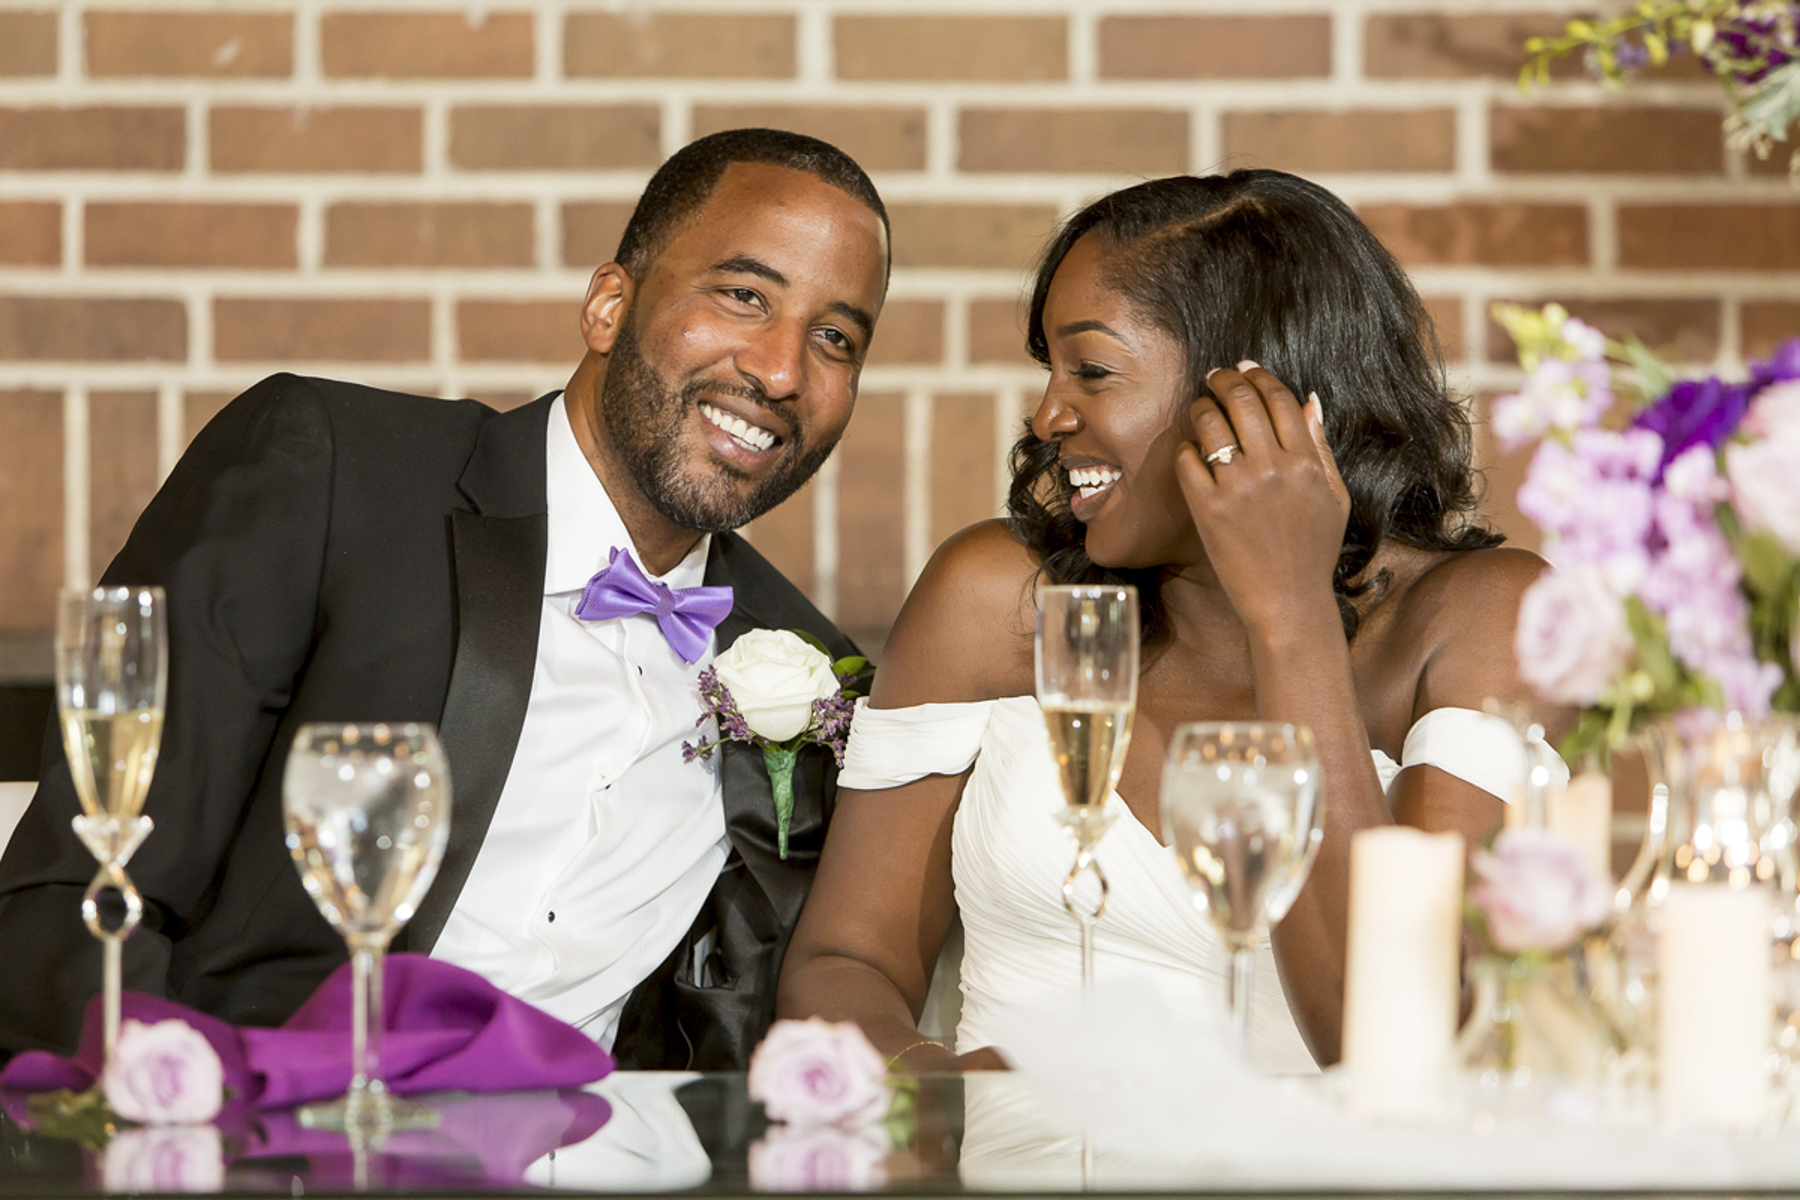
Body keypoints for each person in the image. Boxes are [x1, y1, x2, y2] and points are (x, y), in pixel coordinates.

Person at [0, 128, 890, 1070]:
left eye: (835, 337)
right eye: (743, 295)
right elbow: (81, 893)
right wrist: (179, 1108)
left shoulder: (810, 672)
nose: (783, 370)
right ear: (607, 304)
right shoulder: (333, 476)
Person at [778, 170, 1571, 1073]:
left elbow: (1395, 1038)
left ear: (1254, 393)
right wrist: (947, 1100)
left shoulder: (1483, 620)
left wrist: (1291, 615)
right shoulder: (996, 598)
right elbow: (843, 963)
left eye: (1093, 370)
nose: (1047, 413)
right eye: (1049, 368)